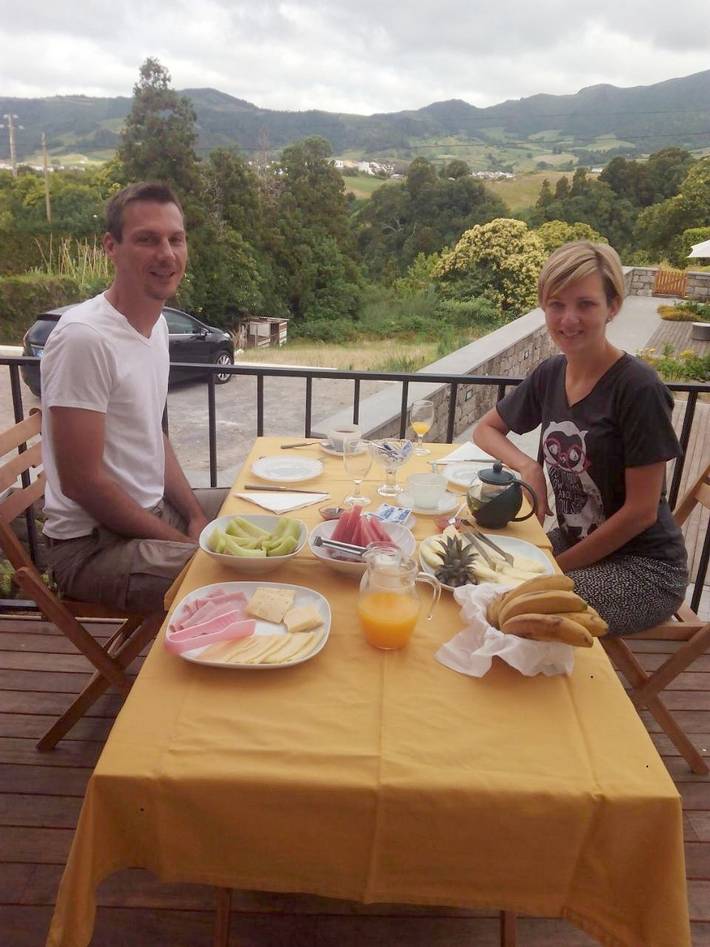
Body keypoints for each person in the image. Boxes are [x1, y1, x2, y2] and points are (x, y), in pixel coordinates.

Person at [473, 241, 688, 635]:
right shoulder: (551, 374)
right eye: (556, 304)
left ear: (613, 307)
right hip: (574, 543)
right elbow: (486, 429)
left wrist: (558, 567)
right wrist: (528, 466)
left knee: (514, 612)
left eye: (585, 304)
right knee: (478, 574)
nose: (568, 319)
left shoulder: (638, 389)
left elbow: (641, 512)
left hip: (643, 569)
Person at [41, 181, 227, 613]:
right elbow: (83, 483)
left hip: (152, 514)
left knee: (262, 512)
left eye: (175, 239)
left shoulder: (156, 327)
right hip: (92, 548)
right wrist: (185, 543)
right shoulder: (85, 339)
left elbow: (152, 434)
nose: (166, 254)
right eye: (147, 239)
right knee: (228, 575)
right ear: (112, 246)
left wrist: (196, 514)